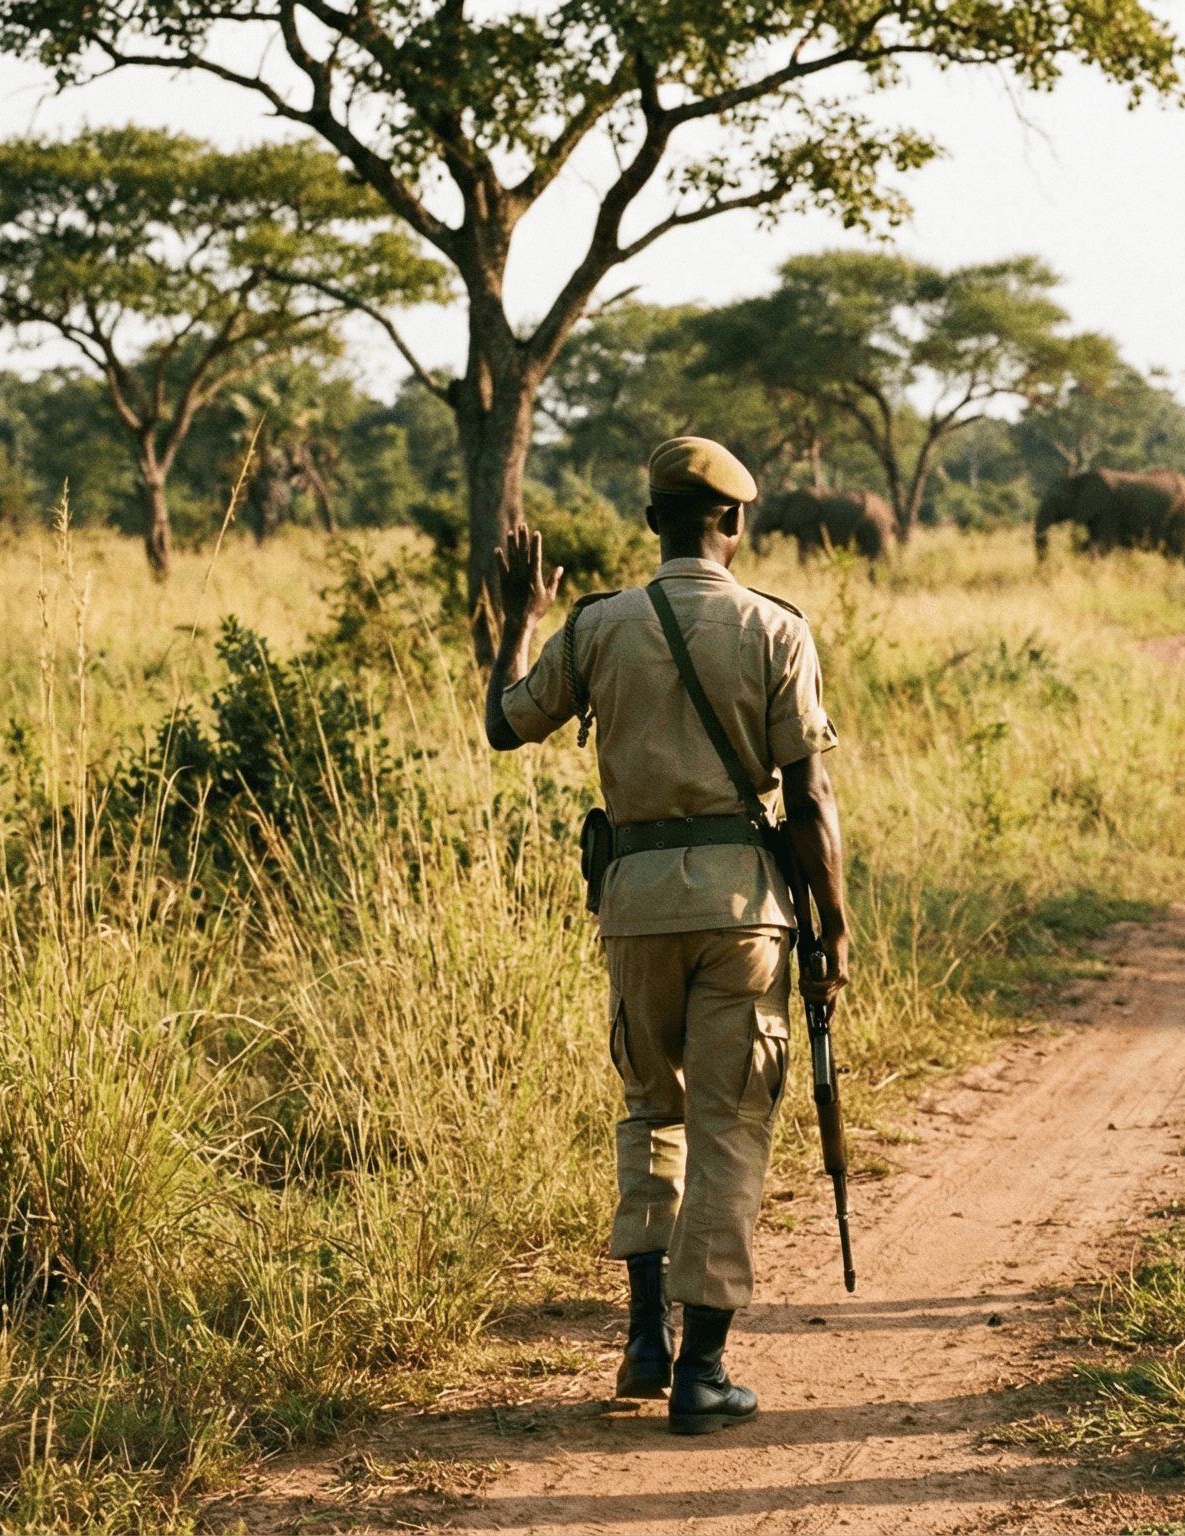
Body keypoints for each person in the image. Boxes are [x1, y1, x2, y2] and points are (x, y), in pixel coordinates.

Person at [484, 436, 850, 1435]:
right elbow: (810, 796)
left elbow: (504, 724)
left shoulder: (597, 626)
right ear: (732, 523)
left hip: (633, 907)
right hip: (744, 915)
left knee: (652, 1111)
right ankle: (705, 1369)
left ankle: (644, 1343)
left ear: (650, 522)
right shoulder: (775, 628)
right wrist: (837, 932)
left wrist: (517, 620)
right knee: (730, 1126)